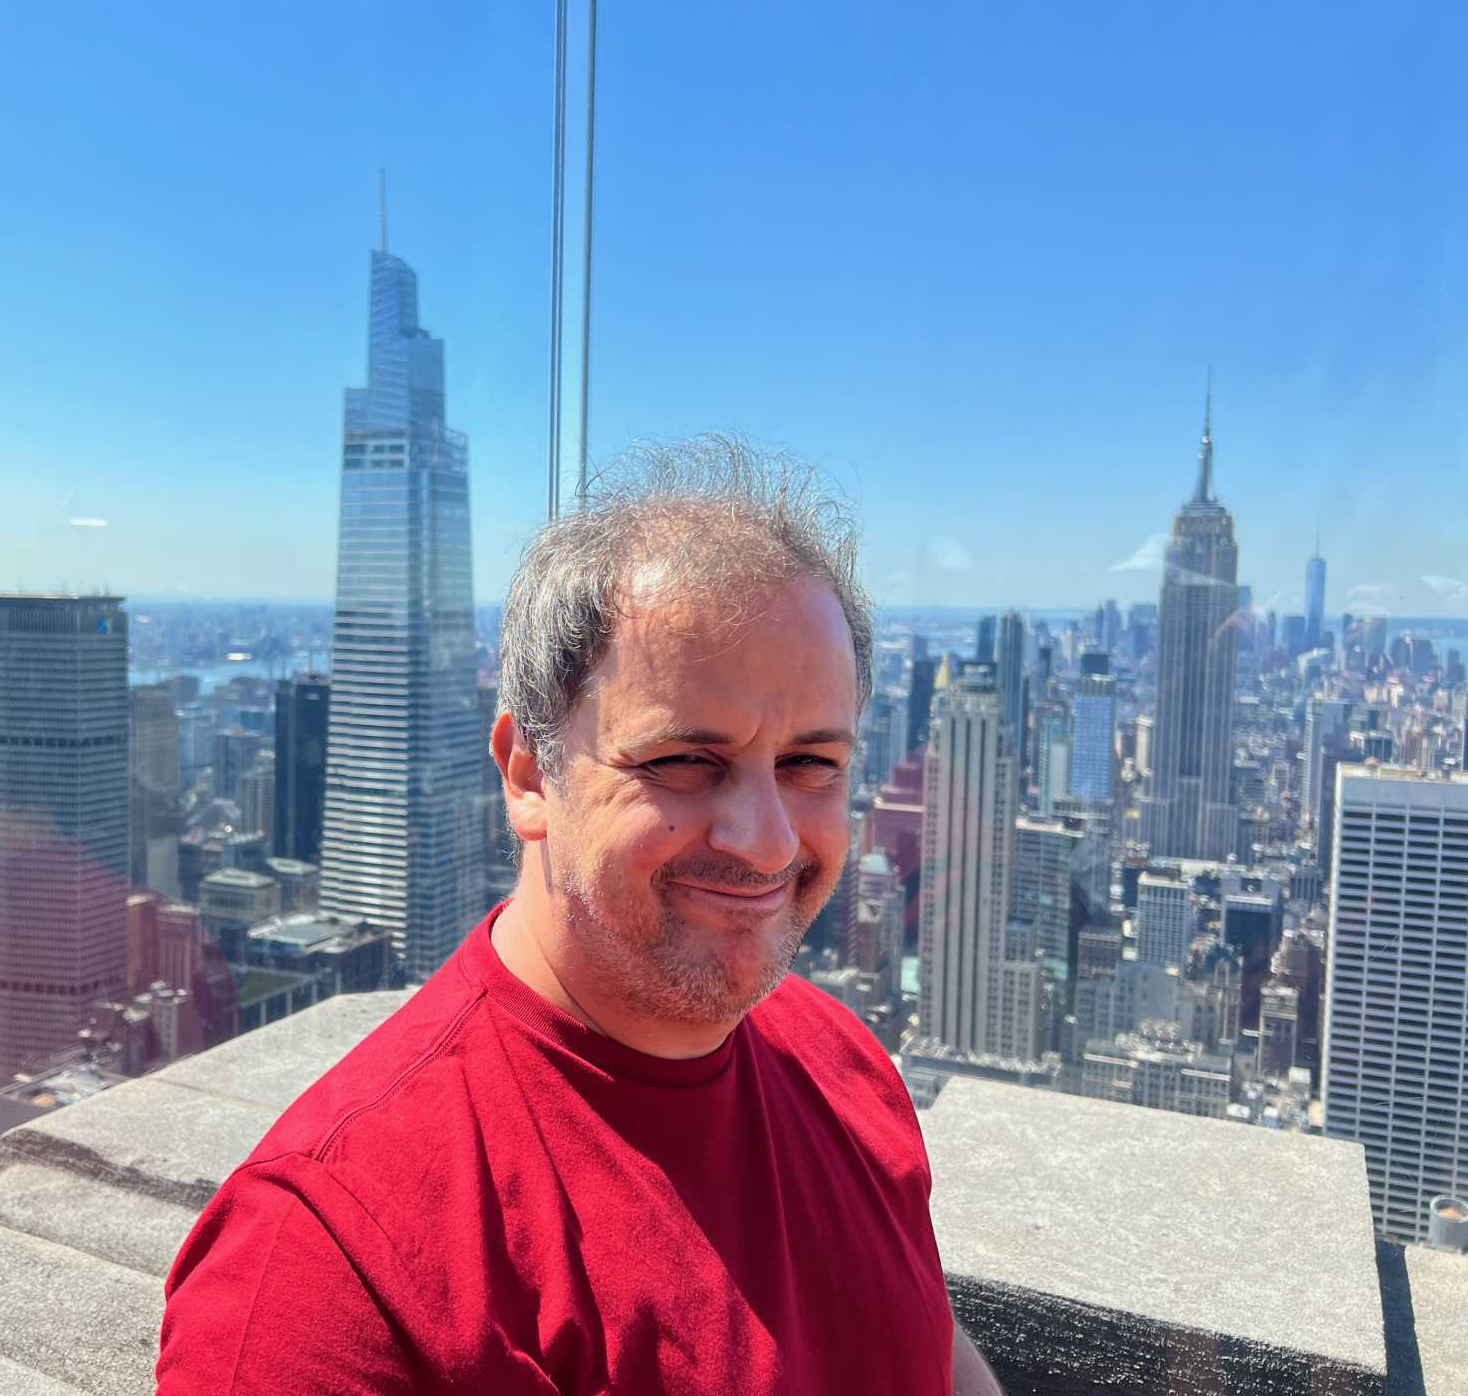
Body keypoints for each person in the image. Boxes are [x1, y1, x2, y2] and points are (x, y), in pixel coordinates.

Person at [158, 437, 1000, 1395]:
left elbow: (922, 1348)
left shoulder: (844, 1065)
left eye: (812, 763)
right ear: (530, 776)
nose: (768, 842)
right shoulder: (330, 1270)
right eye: (683, 761)